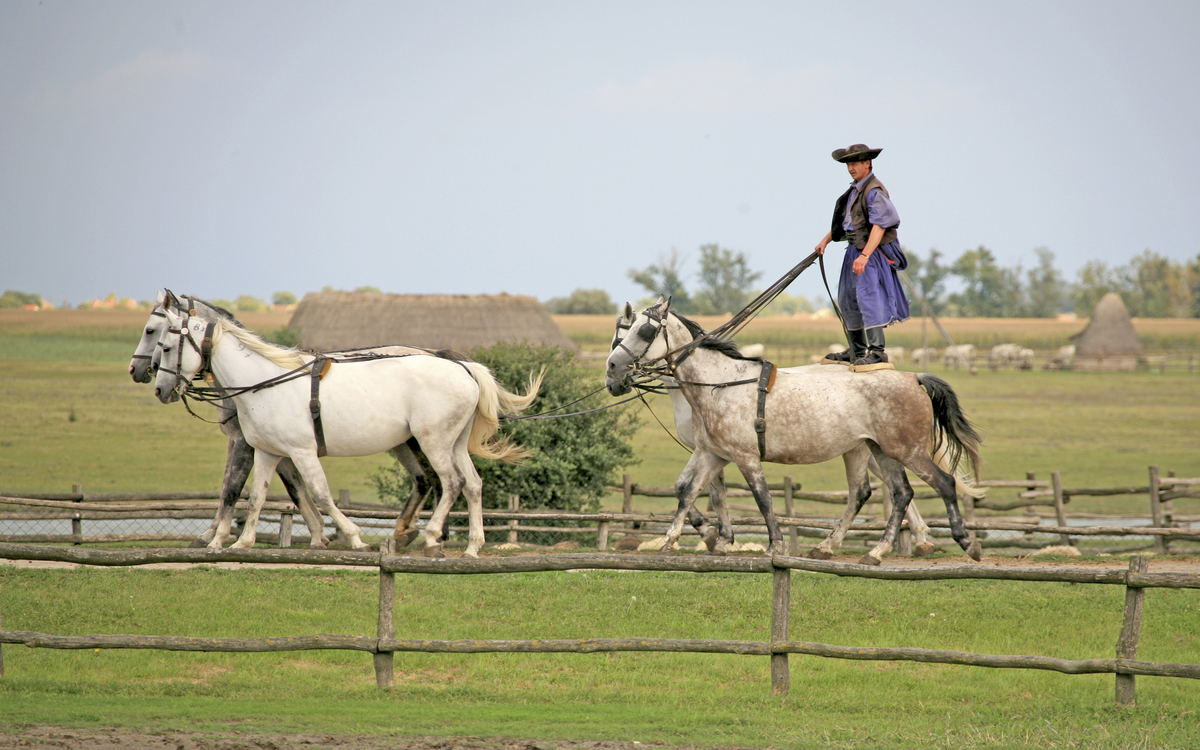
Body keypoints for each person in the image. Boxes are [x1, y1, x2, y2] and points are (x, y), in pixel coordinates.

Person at [815, 143, 910, 372]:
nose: (850, 168)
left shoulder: (874, 191)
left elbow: (880, 225)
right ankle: (856, 351)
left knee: (869, 299)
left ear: (868, 163)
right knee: (848, 300)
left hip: (869, 254)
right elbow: (848, 224)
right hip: (853, 251)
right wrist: (825, 241)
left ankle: (877, 352)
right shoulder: (855, 190)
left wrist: (866, 255)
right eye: (848, 164)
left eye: (855, 163)